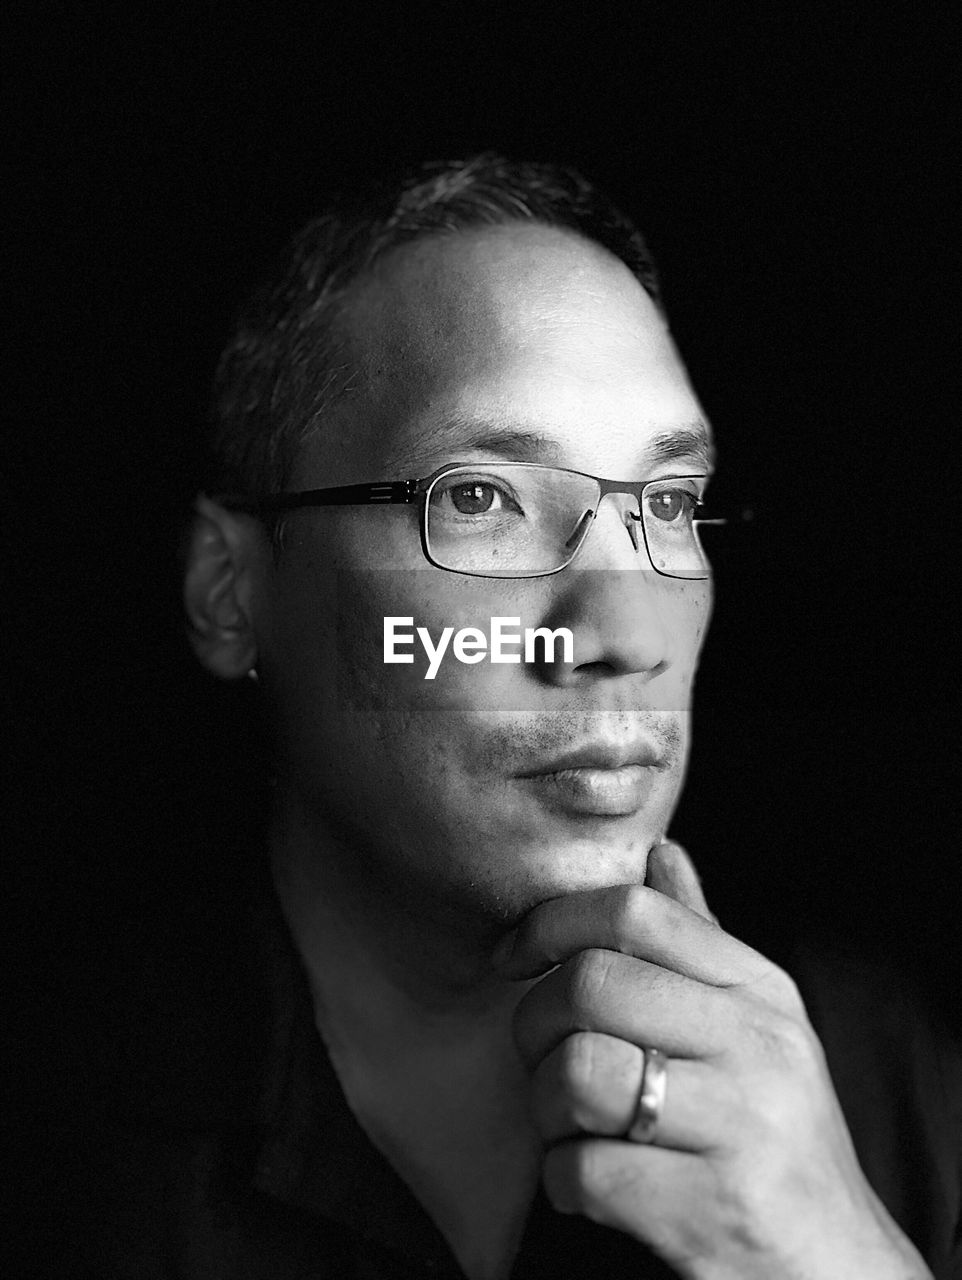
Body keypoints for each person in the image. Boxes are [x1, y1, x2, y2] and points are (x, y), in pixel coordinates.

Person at [72, 155, 959, 1278]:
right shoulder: (59, 1138)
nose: (623, 633)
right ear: (230, 589)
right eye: (481, 498)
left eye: (669, 503)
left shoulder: (891, 1074)